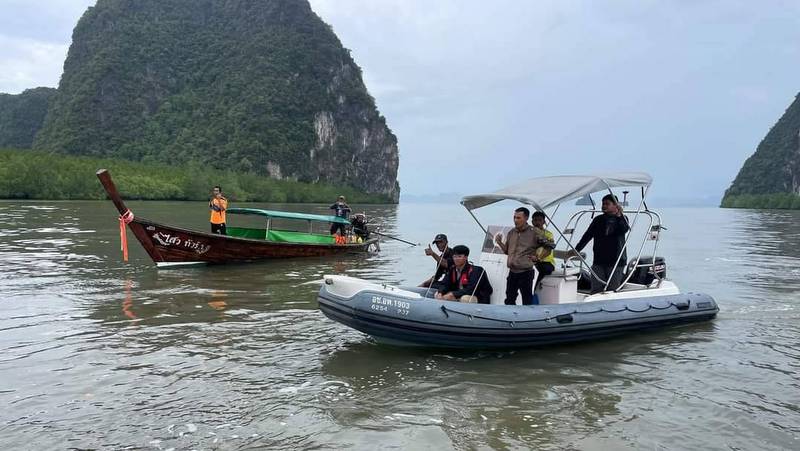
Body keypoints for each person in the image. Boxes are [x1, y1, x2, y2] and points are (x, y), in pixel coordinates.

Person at [571, 194, 630, 293]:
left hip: (616, 261)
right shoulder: (598, 220)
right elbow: (587, 236)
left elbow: (623, 229)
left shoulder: (623, 219)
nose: (604, 206)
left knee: (612, 289)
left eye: (607, 204)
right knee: (596, 288)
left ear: (616, 205)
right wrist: (577, 249)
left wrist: (620, 215)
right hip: (599, 260)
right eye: (603, 204)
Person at [495, 207, 539, 305]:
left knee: (526, 300)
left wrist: (538, 257)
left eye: (518, 218)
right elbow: (507, 251)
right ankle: (510, 318)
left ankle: (527, 318)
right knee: (509, 299)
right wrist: (499, 242)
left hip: (526, 272)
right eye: (514, 217)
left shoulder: (534, 232)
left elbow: (548, 246)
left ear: (526, 218)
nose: (515, 220)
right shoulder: (511, 232)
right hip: (512, 272)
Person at [531, 211, 556, 292]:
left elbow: (549, 249)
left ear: (544, 222)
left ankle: (534, 289)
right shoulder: (528, 233)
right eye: (535, 220)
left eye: (540, 220)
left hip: (546, 262)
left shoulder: (549, 234)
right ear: (532, 222)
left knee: (542, 269)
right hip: (532, 260)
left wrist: (538, 258)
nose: (537, 222)